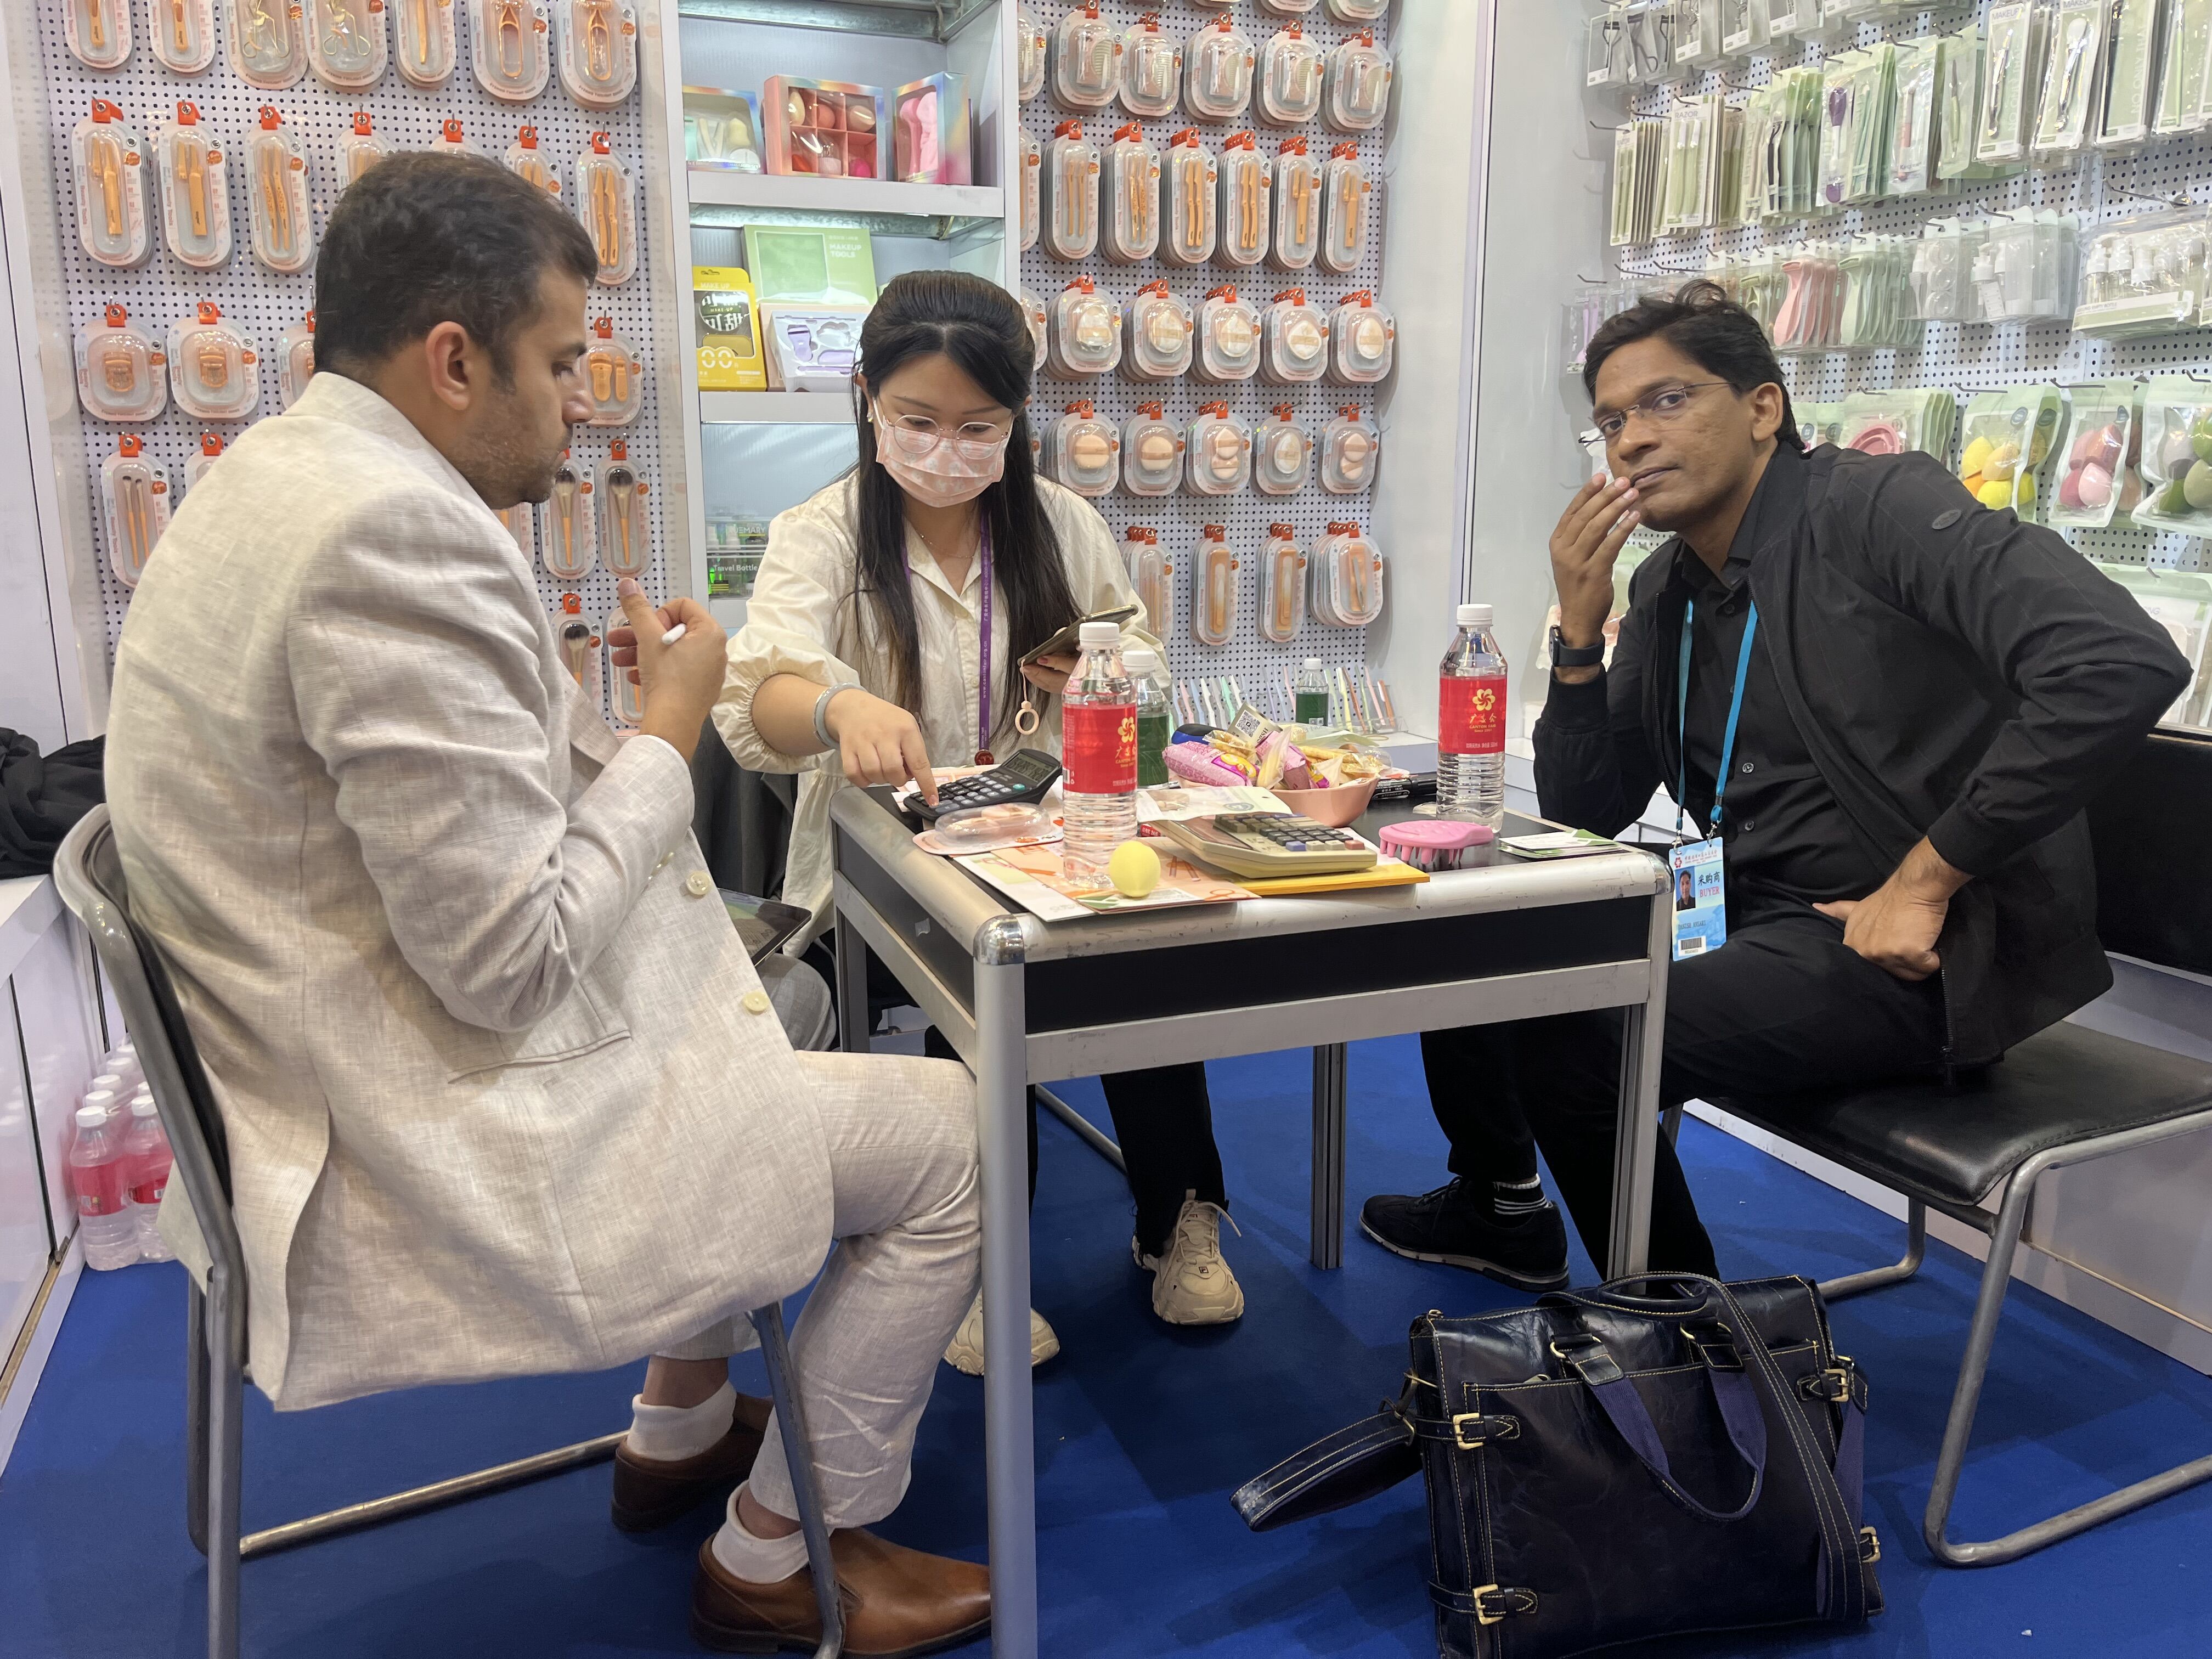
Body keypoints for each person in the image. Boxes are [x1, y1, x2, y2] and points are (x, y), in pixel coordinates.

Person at [102, 154, 991, 1656]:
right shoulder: (389, 537)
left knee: (764, 999)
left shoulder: (279, 474)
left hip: (312, 1063)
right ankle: (782, 1552)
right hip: (414, 1136)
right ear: (455, 361)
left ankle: (679, 1418)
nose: (583, 402)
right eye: (564, 361)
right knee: (951, 1137)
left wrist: (633, 731)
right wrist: (669, 725)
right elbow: (511, 966)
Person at [1362, 280, 2193, 1284]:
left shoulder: (1875, 508)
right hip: (1749, 917)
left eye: (1668, 401)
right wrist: (1578, 634)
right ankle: (1502, 1207)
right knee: (1476, 947)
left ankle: (1689, 1330)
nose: (1631, 440)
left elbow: (2120, 661)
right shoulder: (1666, 585)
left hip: (1911, 948)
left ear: (1764, 408)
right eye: (1612, 422)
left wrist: (1925, 879)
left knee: (1580, 1029)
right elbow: (1590, 812)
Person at [715, 270, 1245, 1358]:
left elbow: (1142, 655)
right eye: (918, 420)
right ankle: (971, 1259)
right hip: (887, 865)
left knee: (1146, 967)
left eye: (979, 426)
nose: (947, 449)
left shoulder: (1061, 524)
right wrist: (836, 706)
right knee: (965, 1014)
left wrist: (1102, 670)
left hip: (1053, 836)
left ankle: (1178, 1217)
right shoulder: (822, 534)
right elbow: (750, 705)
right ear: (868, 398)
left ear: (1016, 419)